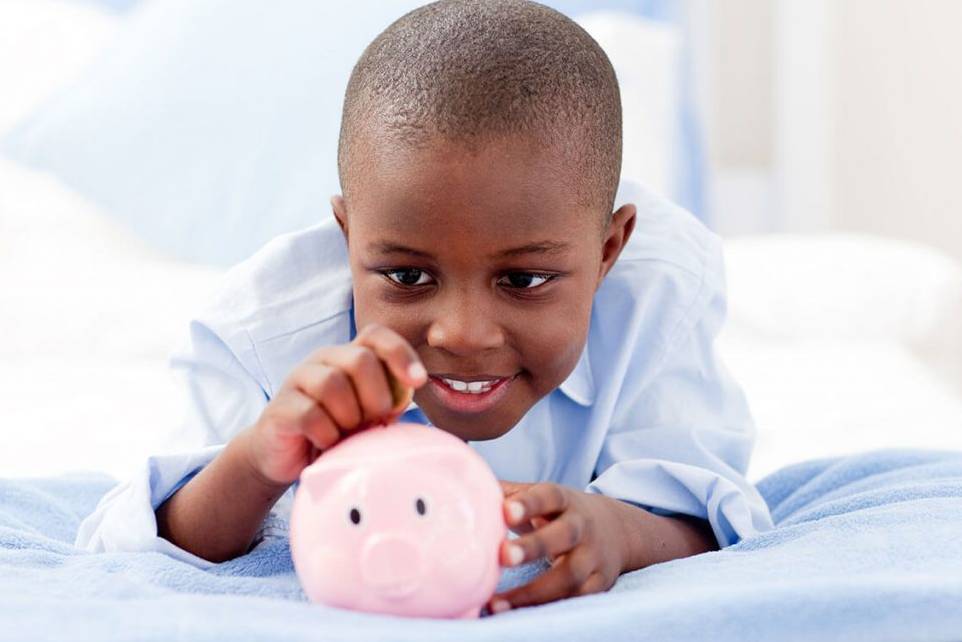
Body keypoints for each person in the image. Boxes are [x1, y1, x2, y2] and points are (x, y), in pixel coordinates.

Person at [76, 0, 773, 613]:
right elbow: (140, 541)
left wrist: (619, 530)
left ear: (607, 251)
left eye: (525, 281)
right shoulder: (263, 328)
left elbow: (710, 506)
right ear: (349, 240)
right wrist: (259, 459)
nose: (462, 334)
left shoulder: (657, 296)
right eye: (406, 275)